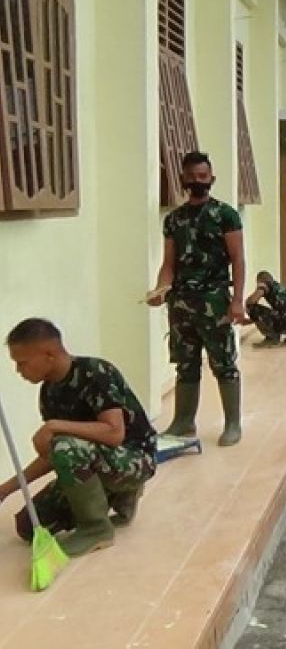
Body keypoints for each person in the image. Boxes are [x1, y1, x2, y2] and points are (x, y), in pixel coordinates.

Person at [0, 319, 156, 556]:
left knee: (65, 446)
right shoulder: (49, 392)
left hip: (134, 460)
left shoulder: (96, 373)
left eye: (22, 363)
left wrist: (54, 426)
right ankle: (115, 496)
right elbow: (53, 455)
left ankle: (96, 529)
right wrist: (6, 489)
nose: (18, 371)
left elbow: (115, 433)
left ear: (49, 354)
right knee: (28, 527)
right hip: (94, 462)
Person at [147, 150, 247, 447]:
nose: (197, 181)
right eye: (191, 177)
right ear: (182, 180)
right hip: (181, 303)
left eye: (202, 176)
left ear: (211, 178)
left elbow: (238, 259)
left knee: (223, 362)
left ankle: (232, 423)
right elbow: (169, 263)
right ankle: (183, 421)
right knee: (184, 363)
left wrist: (237, 300)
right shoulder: (174, 220)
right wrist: (160, 289)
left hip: (214, 300)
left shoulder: (225, 214)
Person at [245, 271, 286, 347]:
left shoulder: (264, 286)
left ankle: (271, 338)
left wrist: (246, 304)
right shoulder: (283, 288)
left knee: (252, 307)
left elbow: (252, 301)